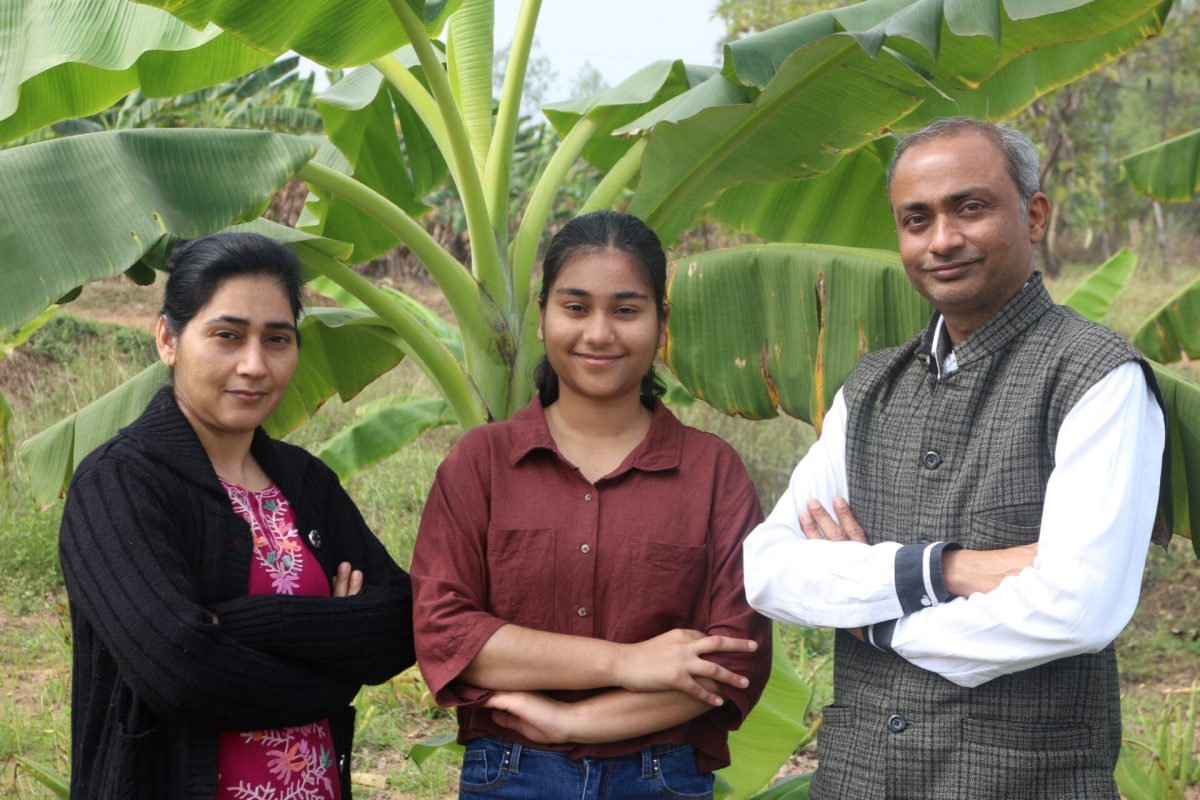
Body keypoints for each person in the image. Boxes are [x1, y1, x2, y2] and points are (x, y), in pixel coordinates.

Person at [742, 117, 1166, 799]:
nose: (941, 239)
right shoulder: (869, 388)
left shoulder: (1097, 377)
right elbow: (769, 570)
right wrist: (944, 570)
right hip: (858, 780)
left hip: (1025, 782)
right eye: (917, 219)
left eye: (970, 208)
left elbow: (1076, 606)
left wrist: (876, 616)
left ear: (1033, 216)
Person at [411, 210, 772, 799]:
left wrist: (575, 721)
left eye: (626, 310)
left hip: (662, 777)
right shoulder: (482, 462)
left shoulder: (712, 471)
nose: (599, 333)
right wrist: (626, 662)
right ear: (543, 315)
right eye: (576, 308)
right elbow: (446, 634)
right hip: (510, 773)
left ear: (661, 321)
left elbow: (730, 663)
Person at [59, 233, 416, 799]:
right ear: (168, 339)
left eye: (277, 339)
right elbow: (181, 671)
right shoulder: (118, 483)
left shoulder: (305, 480)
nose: (255, 365)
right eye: (227, 335)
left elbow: (398, 621)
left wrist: (243, 624)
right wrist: (336, 663)